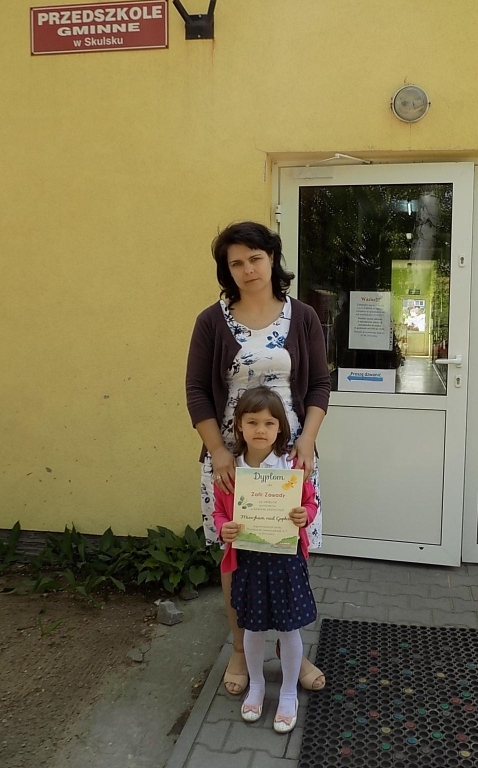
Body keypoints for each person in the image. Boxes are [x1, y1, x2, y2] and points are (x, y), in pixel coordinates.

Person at [185, 221, 330, 696]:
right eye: (236, 262)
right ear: (227, 271)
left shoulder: (302, 317)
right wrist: (219, 452)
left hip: (290, 459)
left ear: (272, 259)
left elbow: (319, 385)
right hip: (231, 461)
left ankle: (292, 652)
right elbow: (196, 391)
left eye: (255, 258)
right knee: (237, 556)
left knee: (287, 552)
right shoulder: (212, 321)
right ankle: (238, 649)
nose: (248, 269)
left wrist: (306, 441)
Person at [213, 386, 318, 732]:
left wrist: (305, 515)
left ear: (280, 429)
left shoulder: (291, 467)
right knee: (253, 630)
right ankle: (256, 686)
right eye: (252, 422)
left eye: (269, 423)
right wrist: (224, 527)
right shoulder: (230, 471)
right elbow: (219, 512)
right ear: (239, 426)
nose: (261, 429)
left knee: (289, 629)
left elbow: (310, 502)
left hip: (285, 562)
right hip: (249, 564)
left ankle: (288, 692)